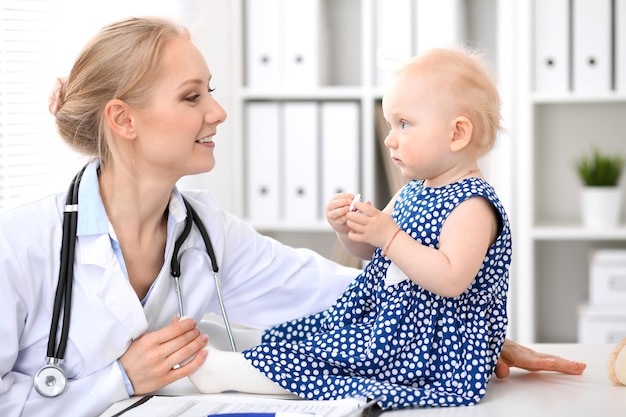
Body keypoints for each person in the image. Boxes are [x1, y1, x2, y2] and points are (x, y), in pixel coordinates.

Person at [0, 17, 584, 417]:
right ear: (124, 120)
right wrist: (119, 380)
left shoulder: (206, 232)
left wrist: (453, 325)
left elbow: (326, 290)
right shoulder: (22, 246)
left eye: (212, 90)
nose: (218, 111)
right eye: (191, 96)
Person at [187, 48, 582, 409]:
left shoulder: (473, 205)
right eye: (390, 123)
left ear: (457, 133)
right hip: (390, 325)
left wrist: (388, 234)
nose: (390, 139)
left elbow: (450, 279)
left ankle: (228, 373)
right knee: (322, 337)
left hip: (427, 348)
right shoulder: (414, 191)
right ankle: (243, 343)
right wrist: (350, 231)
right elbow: (374, 255)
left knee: (339, 366)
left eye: (405, 124)